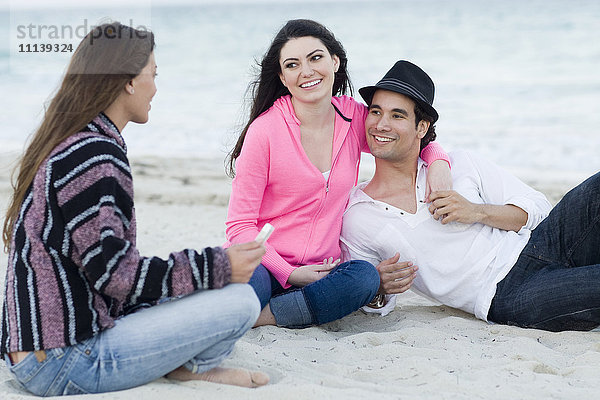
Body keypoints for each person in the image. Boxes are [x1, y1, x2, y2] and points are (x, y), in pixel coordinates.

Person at [0, 22, 269, 397]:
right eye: (153, 75)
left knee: (199, 289)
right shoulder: (94, 156)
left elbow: (106, 273)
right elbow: (114, 273)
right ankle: (185, 367)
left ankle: (174, 361)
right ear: (128, 80)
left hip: (40, 350)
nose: (156, 88)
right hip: (65, 360)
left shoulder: (71, 144)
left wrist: (202, 276)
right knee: (241, 301)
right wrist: (218, 265)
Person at [340, 60, 600, 332]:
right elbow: (374, 305)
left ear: (422, 128)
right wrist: (378, 286)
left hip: (541, 243)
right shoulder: (358, 216)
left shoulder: (460, 163)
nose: (381, 125)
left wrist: (476, 211)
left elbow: (538, 209)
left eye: (397, 115)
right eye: (375, 112)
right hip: (505, 294)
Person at [225, 19, 452, 329]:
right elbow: (240, 227)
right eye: (292, 64)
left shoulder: (355, 119)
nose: (306, 71)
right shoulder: (264, 131)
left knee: (365, 278)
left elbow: (407, 139)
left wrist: (438, 163)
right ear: (283, 76)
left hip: (325, 270)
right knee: (244, 287)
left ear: (334, 61)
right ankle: (277, 310)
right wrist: (289, 273)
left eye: (315, 58)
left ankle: (265, 317)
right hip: (265, 262)